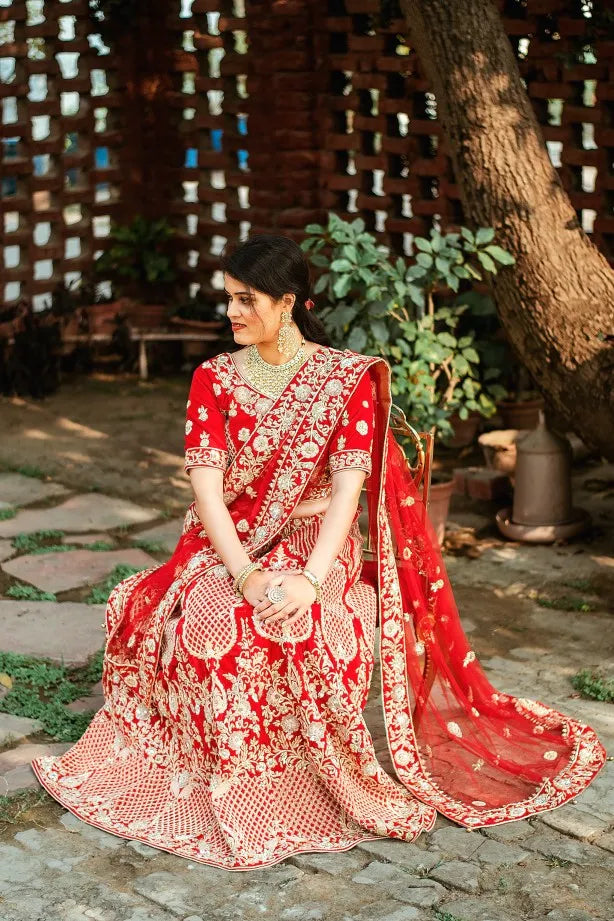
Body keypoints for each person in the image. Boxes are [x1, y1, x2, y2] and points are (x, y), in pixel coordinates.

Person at [31, 234, 606, 871]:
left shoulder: (343, 380)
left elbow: (344, 495)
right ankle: (226, 780)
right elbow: (207, 491)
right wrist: (245, 573)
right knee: (211, 619)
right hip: (226, 541)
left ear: (290, 302)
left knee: (307, 624)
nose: (232, 313)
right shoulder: (213, 379)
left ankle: (300, 786)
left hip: (314, 543)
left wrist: (308, 577)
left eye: (246, 300)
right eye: (228, 298)